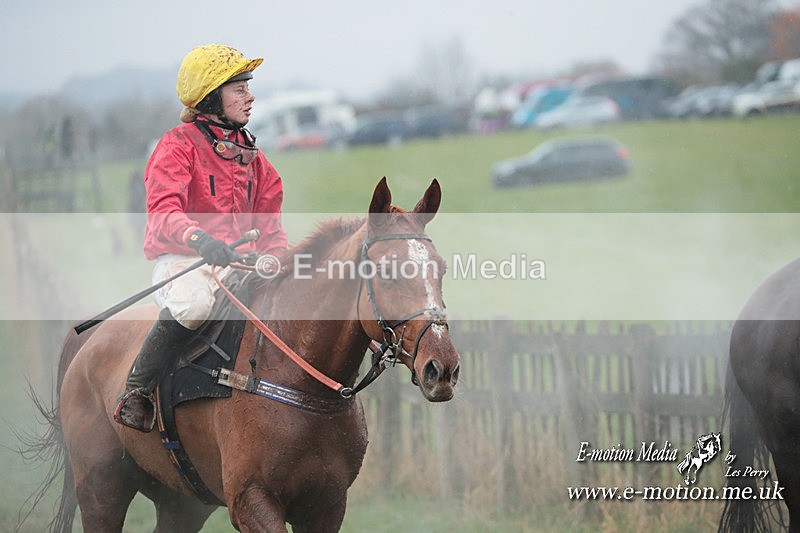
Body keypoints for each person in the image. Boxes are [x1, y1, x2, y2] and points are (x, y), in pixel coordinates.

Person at [114, 44, 288, 432]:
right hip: (184, 263)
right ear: (211, 98)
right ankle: (137, 391)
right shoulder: (176, 146)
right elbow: (162, 214)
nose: (250, 96)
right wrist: (199, 238)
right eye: (239, 88)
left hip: (237, 265)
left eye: (248, 86)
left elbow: (272, 229)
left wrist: (278, 258)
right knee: (194, 307)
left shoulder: (255, 160)